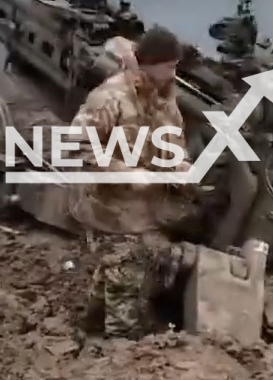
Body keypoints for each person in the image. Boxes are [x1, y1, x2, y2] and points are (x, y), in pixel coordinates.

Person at [68, 25, 196, 339]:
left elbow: (170, 137)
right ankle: (120, 348)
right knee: (127, 274)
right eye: (169, 66)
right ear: (151, 63)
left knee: (118, 271)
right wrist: (124, 171)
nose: (173, 72)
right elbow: (77, 147)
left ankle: (92, 323)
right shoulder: (110, 97)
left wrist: (178, 163)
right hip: (109, 208)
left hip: (141, 209)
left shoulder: (164, 97)